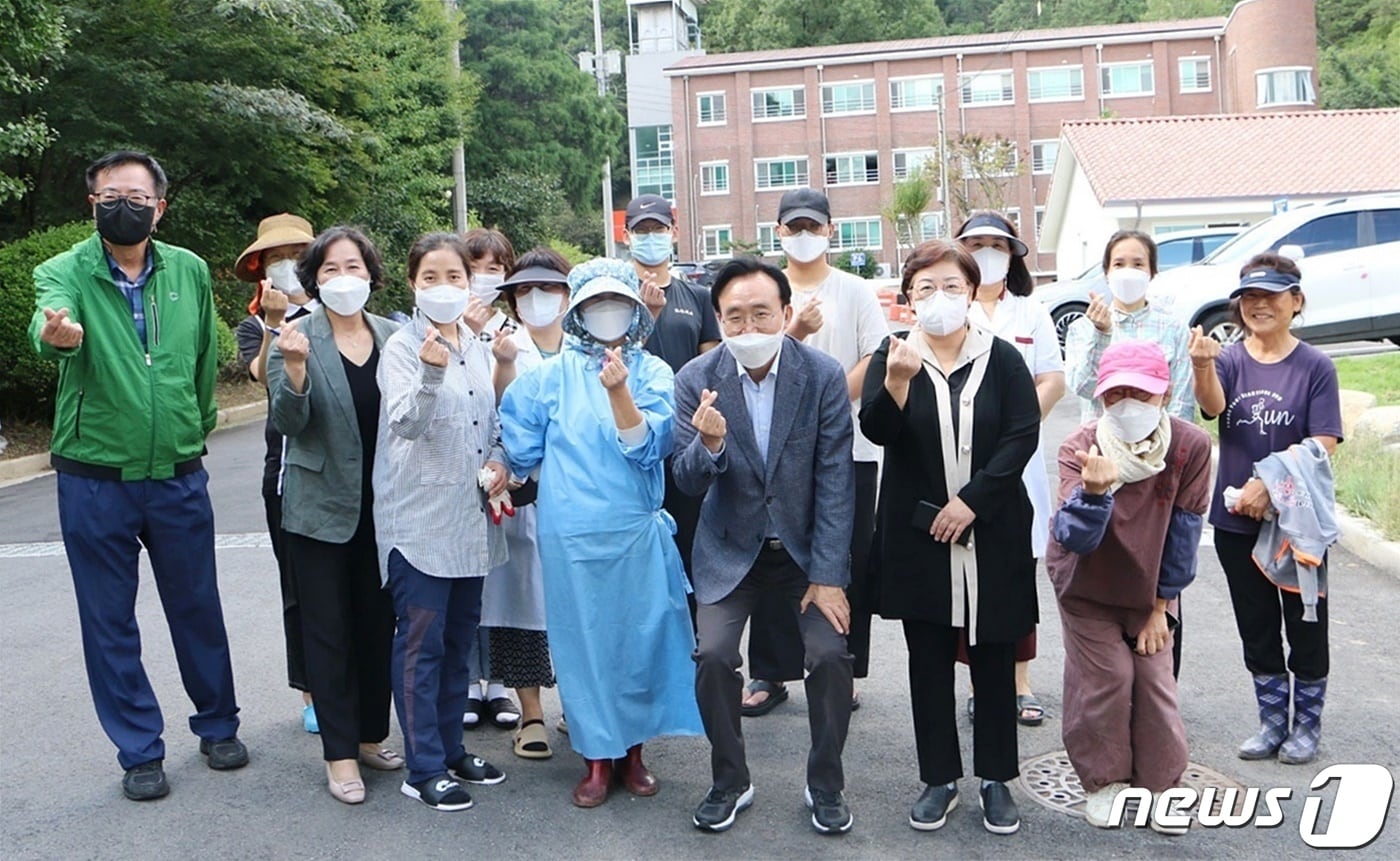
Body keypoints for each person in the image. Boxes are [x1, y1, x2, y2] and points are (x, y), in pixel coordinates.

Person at [29, 150, 247, 801]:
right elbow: (49, 323)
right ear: (92, 204)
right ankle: (138, 748)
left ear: (160, 205)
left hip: (178, 471)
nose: (124, 204)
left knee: (197, 605)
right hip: (93, 476)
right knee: (108, 618)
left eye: (137, 194)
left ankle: (217, 723)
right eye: (110, 195)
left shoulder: (189, 270)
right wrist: (58, 337)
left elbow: (206, 354)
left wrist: (196, 422)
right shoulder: (62, 269)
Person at [499, 257, 703, 808]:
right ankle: (594, 757)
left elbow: (649, 448)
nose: (606, 314)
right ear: (578, 313)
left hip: (634, 531)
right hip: (571, 535)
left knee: (638, 641)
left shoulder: (656, 373)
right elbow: (519, 447)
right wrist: (498, 466)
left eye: (616, 303)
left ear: (635, 310)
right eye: (594, 304)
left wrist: (619, 393)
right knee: (583, 644)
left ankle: (633, 754)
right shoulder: (548, 377)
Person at [859, 239, 1039, 835]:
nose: (940, 298)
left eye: (953, 286)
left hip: (992, 531)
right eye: (926, 288)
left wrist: (973, 502)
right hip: (920, 537)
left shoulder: (1004, 358)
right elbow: (878, 431)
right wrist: (900, 383)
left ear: (972, 292)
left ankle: (995, 778)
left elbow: (1021, 436)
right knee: (928, 659)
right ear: (909, 298)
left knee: (993, 656)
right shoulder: (896, 355)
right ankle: (938, 778)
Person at [675, 258, 856, 835]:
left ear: (785, 313)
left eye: (761, 314)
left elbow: (835, 479)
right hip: (731, 550)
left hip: (805, 553)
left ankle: (825, 782)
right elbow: (685, 481)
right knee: (713, 656)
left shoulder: (822, 374)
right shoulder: (696, 378)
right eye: (734, 317)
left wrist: (828, 575)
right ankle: (730, 779)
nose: (748, 327)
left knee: (830, 656)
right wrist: (708, 446)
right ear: (720, 320)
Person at [1046, 341, 1212, 834]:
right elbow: (1072, 537)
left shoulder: (1189, 446)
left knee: (1155, 681)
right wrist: (1095, 495)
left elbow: (1185, 532)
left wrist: (1161, 606)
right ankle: (1105, 785)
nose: (1128, 404)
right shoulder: (1081, 446)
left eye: (1140, 393)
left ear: (1164, 394)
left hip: (1152, 588)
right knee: (1108, 680)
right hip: (1086, 586)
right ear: (1100, 398)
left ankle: (1163, 788)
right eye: (1115, 394)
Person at [374, 232, 510, 811]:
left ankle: (452, 749)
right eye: (430, 277)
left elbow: (491, 421)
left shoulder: (476, 344)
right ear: (412, 285)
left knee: (459, 644)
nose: (444, 288)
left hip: (471, 523)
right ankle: (422, 764)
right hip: (420, 523)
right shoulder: (404, 348)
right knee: (420, 647)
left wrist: (501, 462)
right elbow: (405, 424)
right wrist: (430, 373)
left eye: (454, 277)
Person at [1190, 253, 1343, 766]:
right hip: (1236, 521)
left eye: (1272, 296)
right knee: (1255, 626)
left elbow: (1325, 440)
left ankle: (1306, 728)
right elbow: (1212, 409)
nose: (1260, 305)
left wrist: (1267, 483)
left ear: (1295, 302)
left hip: (1298, 524)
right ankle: (1272, 723)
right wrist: (1202, 365)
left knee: (1306, 623)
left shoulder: (1315, 366)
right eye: (1250, 297)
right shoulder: (1231, 360)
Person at [267, 226, 402, 804]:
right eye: (329, 270)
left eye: (353, 267)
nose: (343, 278)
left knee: (378, 626)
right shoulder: (294, 338)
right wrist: (295, 370)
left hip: (388, 506)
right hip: (319, 509)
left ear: (371, 274)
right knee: (328, 630)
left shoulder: (398, 337)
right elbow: (289, 424)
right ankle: (340, 753)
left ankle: (372, 734)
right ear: (314, 281)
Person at [743, 187, 887, 718]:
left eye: (814, 227)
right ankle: (770, 670)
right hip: (770, 453)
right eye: (793, 228)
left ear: (831, 231)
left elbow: (875, 356)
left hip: (849, 443)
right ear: (778, 232)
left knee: (846, 554)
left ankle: (839, 667)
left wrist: (825, 402)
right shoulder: (764, 290)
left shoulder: (854, 291)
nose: (804, 237)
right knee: (770, 557)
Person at [955, 211, 1065, 727]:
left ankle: (1020, 683)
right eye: (975, 244)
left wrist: (1017, 430)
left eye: (996, 244)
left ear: (1014, 254)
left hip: (1018, 464)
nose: (987, 253)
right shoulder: (950, 308)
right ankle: (981, 684)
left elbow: (1052, 380)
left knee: (1017, 573)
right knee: (968, 576)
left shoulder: (1031, 312)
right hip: (961, 462)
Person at [484, 248, 574, 759]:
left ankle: (581, 709)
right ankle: (531, 713)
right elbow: (495, 415)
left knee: (576, 606)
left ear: (568, 295)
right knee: (520, 602)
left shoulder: (590, 346)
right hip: (523, 496)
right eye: (524, 291)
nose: (537, 300)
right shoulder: (501, 345)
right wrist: (504, 364)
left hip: (578, 498)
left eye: (548, 289)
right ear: (513, 301)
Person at [233, 213, 319, 733]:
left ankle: (357, 685)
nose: (286, 266)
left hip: (350, 470)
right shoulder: (255, 325)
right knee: (298, 587)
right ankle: (311, 692)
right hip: (286, 470)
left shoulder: (341, 309)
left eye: (295, 256)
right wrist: (271, 324)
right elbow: (258, 374)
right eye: (275, 258)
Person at [623, 193, 721, 601]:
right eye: (641, 231)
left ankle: (695, 647)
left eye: (658, 230)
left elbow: (712, 367)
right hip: (631, 437)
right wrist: (646, 316)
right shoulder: (613, 296)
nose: (650, 238)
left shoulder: (696, 296)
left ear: (674, 233)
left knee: (690, 543)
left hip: (684, 440)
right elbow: (609, 360)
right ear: (626, 237)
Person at [460, 227, 521, 731]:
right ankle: (465, 682)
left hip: (500, 465)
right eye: (474, 265)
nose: (484, 276)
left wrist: (503, 362)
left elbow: (511, 403)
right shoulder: (440, 324)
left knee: (499, 578)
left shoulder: (511, 328)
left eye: (494, 268)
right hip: (454, 468)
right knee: (460, 578)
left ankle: (498, 686)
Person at [1064, 231, 1193, 423]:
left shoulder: (1174, 328)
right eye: (1119, 264)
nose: (1128, 272)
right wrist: (1101, 334)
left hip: (1160, 444)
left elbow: (1181, 401)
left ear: (1152, 272)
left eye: (1138, 264)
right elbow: (1085, 388)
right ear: (1107, 272)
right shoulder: (1082, 329)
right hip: (1101, 444)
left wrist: (1167, 444)